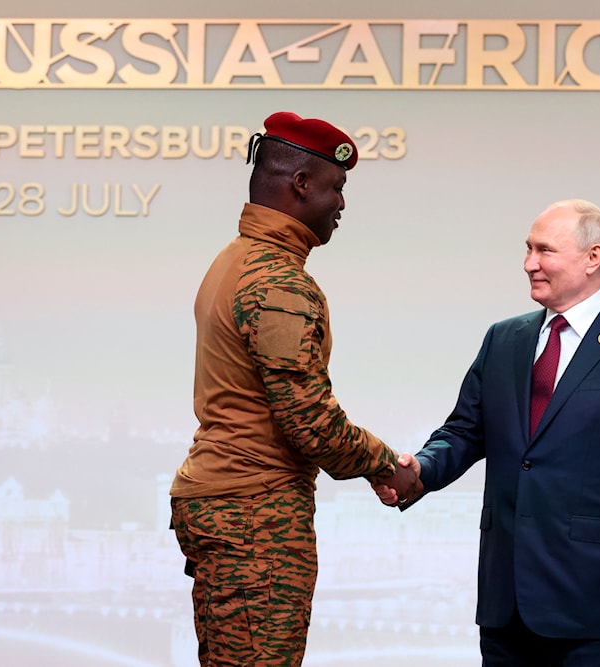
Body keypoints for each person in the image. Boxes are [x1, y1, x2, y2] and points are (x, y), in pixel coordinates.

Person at [376, 199, 600, 666]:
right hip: (506, 603)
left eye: (544, 250)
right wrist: (418, 470)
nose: (529, 264)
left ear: (593, 257)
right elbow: (464, 431)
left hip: (595, 604)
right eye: (527, 249)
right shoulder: (503, 339)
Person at [170, 111, 421, 667]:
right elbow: (310, 424)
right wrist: (386, 464)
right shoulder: (279, 281)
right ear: (301, 183)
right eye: (337, 187)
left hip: (227, 504)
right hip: (254, 516)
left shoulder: (235, 261)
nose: (342, 203)